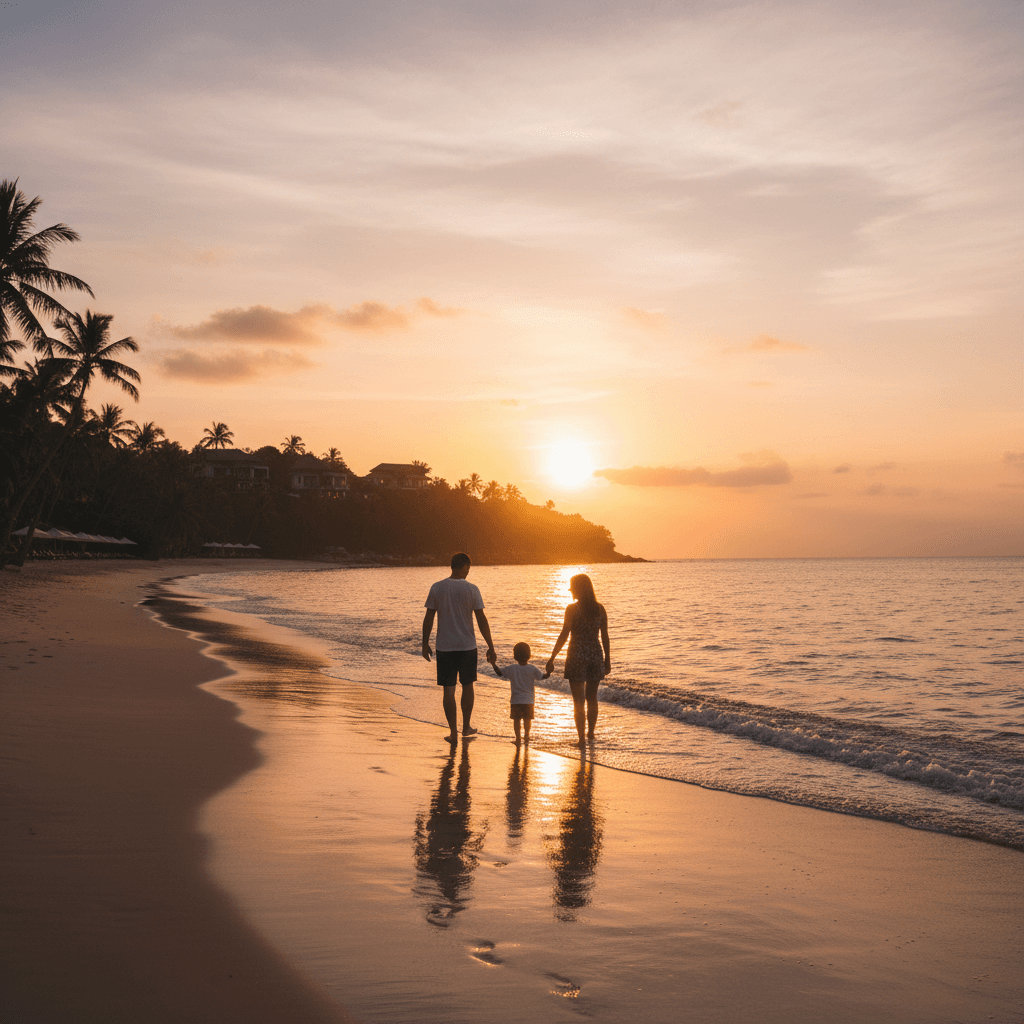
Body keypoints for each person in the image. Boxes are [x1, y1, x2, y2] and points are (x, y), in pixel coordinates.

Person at [422, 553, 497, 742]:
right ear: (464, 567)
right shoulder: (472, 589)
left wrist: (424, 643)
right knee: (467, 685)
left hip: (445, 647)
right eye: (468, 569)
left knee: (448, 690)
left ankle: (453, 732)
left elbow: (429, 618)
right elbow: (481, 619)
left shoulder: (437, 587)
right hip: (467, 647)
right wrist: (490, 645)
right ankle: (466, 727)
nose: (468, 572)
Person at [545, 574, 610, 745]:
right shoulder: (600, 609)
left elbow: (564, 634)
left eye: (572, 587)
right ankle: (591, 734)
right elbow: (605, 637)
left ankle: (581, 739)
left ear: (578, 589)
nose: (571, 591)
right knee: (592, 698)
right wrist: (607, 659)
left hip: (576, 656)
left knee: (578, 701)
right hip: (596, 655)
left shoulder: (572, 609)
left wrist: (552, 657)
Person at [492, 641, 547, 745]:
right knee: (527, 720)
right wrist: (549, 672)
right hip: (529, 700)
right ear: (530, 655)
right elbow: (542, 677)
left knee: (516, 720)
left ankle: (518, 739)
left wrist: (493, 664)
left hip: (516, 700)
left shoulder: (512, 668)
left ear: (514, 656)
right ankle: (526, 736)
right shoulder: (532, 668)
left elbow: (499, 673)